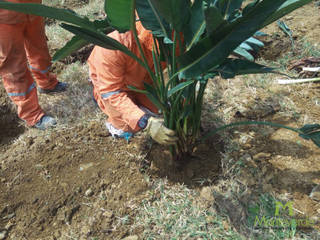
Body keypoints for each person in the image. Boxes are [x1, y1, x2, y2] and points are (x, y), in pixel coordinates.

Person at [87, 22, 177, 145]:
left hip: (141, 81)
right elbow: (111, 91)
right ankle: (98, 98)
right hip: (111, 84)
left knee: (160, 111)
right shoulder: (114, 45)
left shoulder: (175, 42)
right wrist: (145, 122)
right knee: (126, 125)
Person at [0, 0, 67, 130]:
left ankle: (47, 84)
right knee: (14, 68)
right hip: (5, 17)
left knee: (40, 52)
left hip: (33, 8)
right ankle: (31, 114)